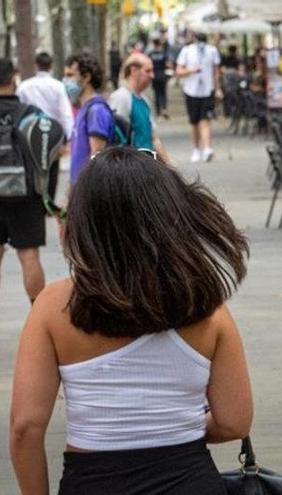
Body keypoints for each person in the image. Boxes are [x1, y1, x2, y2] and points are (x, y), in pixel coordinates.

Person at [9, 147, 253, 494]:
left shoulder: (53, 306)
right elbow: (234, 422)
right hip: (190, 481)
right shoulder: (207, 308)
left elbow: (25, 428)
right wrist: (169, 427)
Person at [0, 59, 49, 303]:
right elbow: (46, 154)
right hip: (25, 194)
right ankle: (39, 315)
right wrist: (46, 196)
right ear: (14, 78)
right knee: (29, 254)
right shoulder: (30, 114)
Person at [16, 51, 75, 200]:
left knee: (31, 166)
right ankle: (49, 201)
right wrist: (66, 138)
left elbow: (18, 110)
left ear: (36, 65)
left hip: (28, 134)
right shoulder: (58, 86)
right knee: (52, 167)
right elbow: (66, 114)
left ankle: (34, 198)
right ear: (51, 66)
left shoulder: (24, 86)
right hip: (53, 135)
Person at [109, 53, 171, 164]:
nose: (152, 75)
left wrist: (170, 168)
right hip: (130, 168)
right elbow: (116, 140)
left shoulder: (144, 100)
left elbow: (154, 138)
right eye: (148, 71)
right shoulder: (121, 98)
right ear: (133, 71)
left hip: (147, 165)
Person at [64, 52, 113, 184]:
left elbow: (96, 158)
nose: (65, 81)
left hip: (89, 191)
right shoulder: (83, 109)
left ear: (86, 77)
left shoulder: (96, 111)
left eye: (70, 75)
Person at [176, 32, 222, 163]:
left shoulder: (212, 51)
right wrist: (191, 71)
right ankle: (196, 149)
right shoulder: (186, 51)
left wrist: (218, 88)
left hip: (207, 91)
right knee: (194, 122)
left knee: (205, 119)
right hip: (191, 91)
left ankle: (207, 149)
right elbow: (179, 71)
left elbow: (216, 71)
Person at [147, 36, 171, 120]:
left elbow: (147, 65)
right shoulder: (164, 53)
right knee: (163, 93)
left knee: (156, 94)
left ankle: (158, 113)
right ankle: (164, 109)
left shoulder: (151, 54)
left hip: (154, 76)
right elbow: (168, 65)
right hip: (163, 76)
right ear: (160, 44)